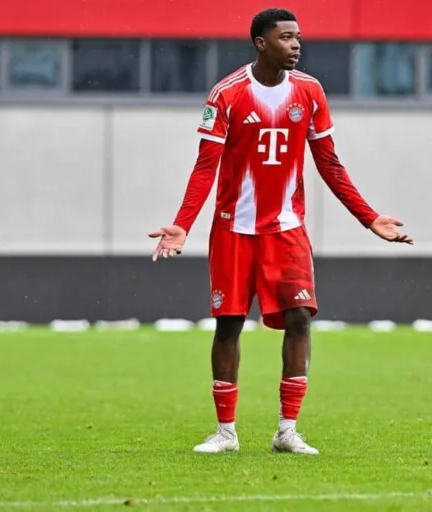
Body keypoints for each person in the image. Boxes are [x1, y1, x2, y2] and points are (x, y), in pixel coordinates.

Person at [149, 8, 412, 455]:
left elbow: (329, 162)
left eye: (298, 37)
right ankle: (226, 432)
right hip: (234, 230)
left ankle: (287, 430)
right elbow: (205, 166)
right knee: (228, 324)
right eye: (286, 37)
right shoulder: (227, 94)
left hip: (286, 230)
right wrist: (183, 224)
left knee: (299, 316)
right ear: (261, 43)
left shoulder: (309, 91)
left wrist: (368, 217)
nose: (296, 45)